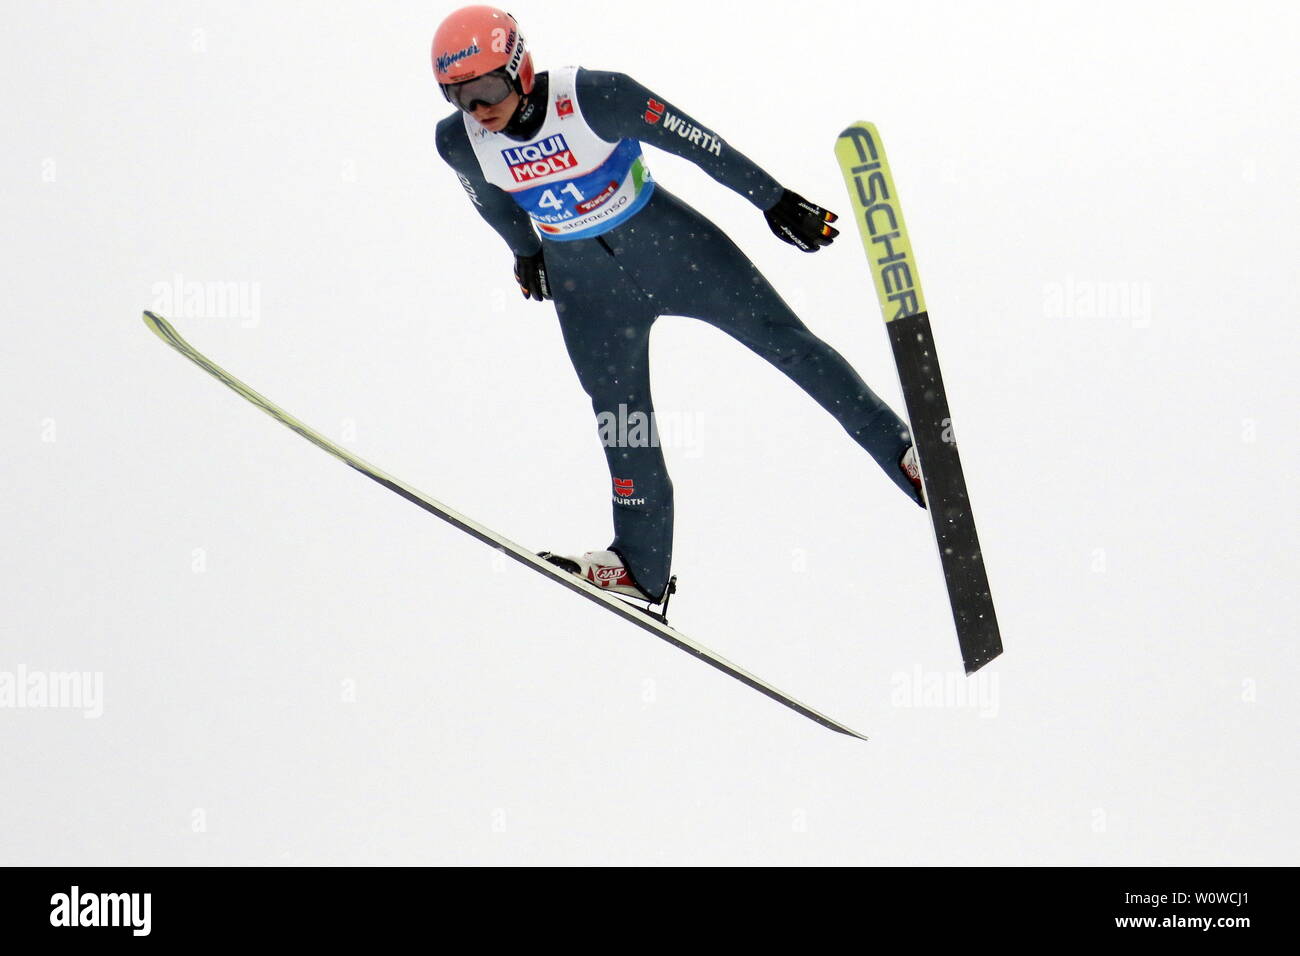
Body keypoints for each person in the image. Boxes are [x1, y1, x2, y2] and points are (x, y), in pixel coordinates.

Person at [433, 5, 923, 607]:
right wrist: (525, 252)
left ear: (519, 67)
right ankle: (639, 565)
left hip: (673, 250)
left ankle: (900, 450)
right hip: (589, 291)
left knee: (784, 340)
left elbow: (701, 144)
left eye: (485, 87)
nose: (479, 109)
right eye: (459, 96)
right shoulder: (459, 141)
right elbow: (490, 201)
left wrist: (773, 200)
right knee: (620, 418)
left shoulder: (595, 95)